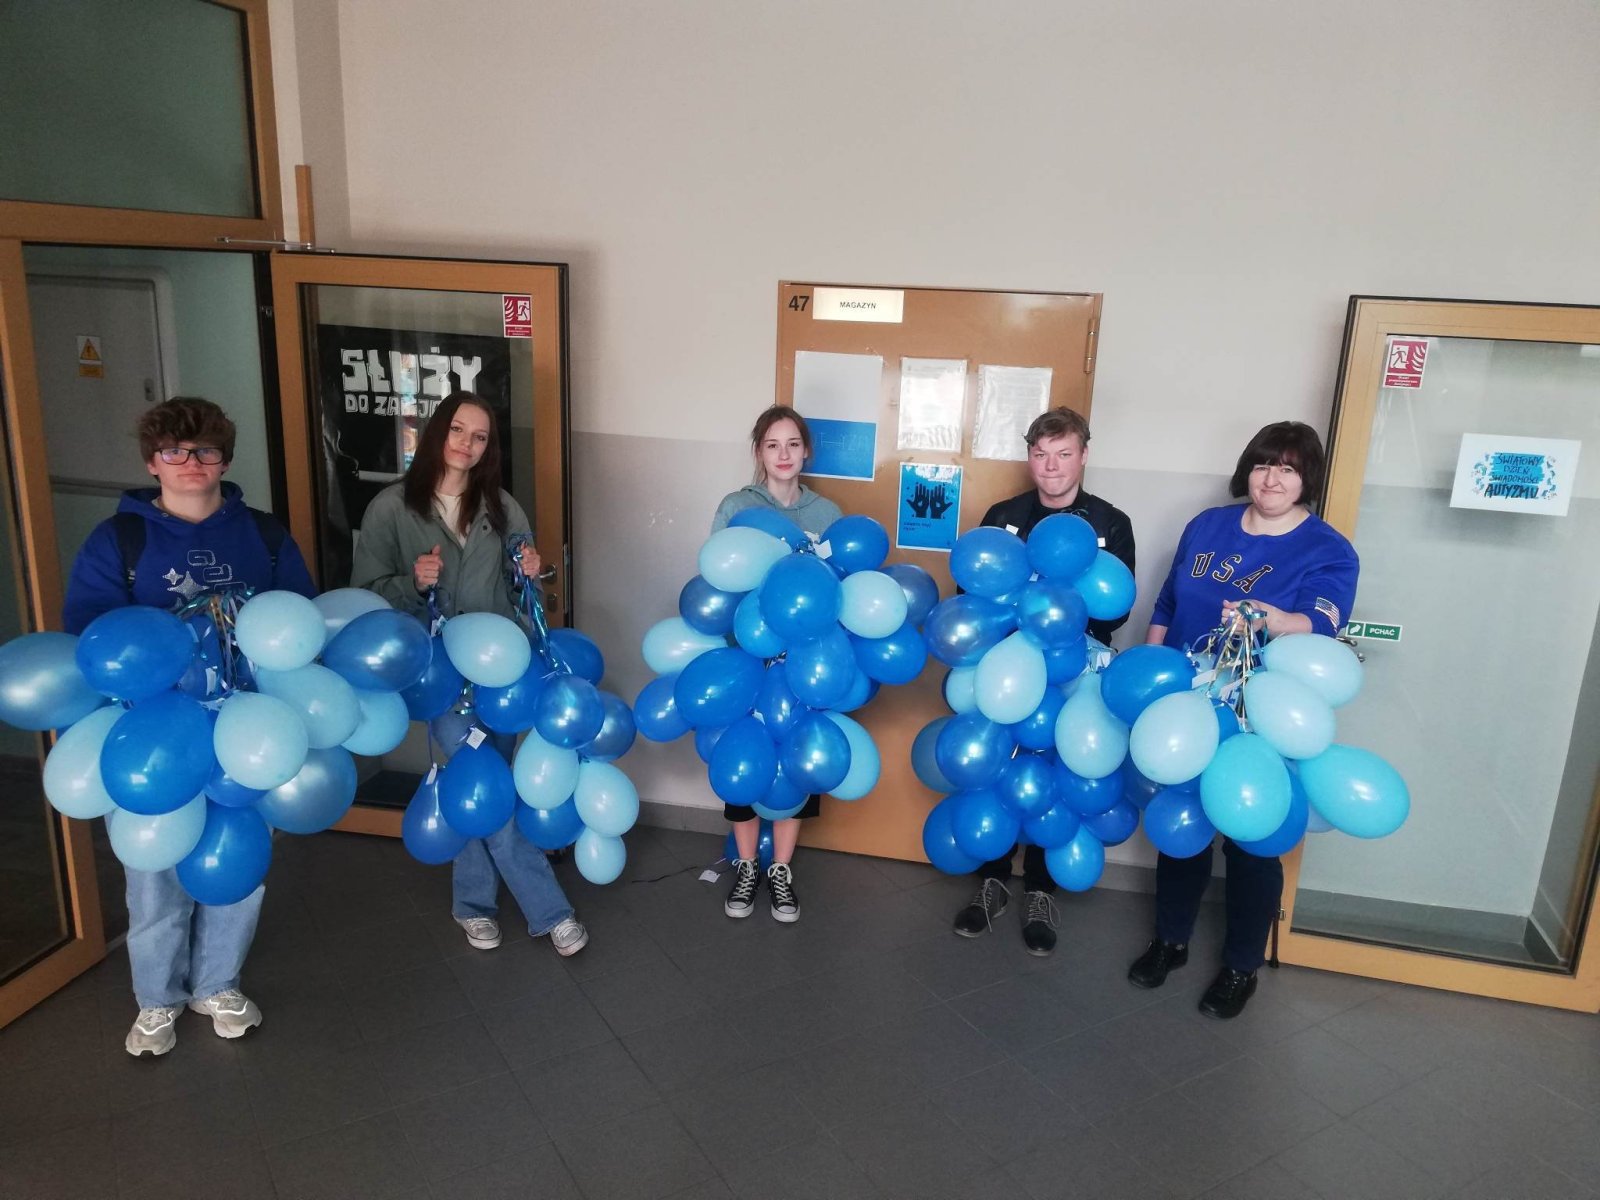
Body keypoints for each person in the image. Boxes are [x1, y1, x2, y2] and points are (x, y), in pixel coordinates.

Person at [63, 396, 318, 1058]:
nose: (190, 462)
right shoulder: (118, 540)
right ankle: (157, 999)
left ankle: (218, 983)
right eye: (173, 451)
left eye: (204, 450)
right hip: (155, 734)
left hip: (244, 726)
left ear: (224, 459)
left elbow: (301, 620)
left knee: (238, 860)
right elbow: (91, 639)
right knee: (154, 874)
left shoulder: (262, 534)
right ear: (153, 462)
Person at [1128, 420, 1358, 1019]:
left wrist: (1269, 617)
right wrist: (1150, 671)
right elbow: (1168, 602)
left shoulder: (1329, 549)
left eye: (1288, 468)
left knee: (1254, 838)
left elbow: (1322, 624)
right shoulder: (1207, 525)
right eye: (1262, 464)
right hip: (1190, 701)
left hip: (1263, 711)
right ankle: (1170, 940)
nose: (1272, 479)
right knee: (1183, 825)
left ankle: (1240, 966)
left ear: (1307, 479)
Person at [350, 392, 588, 958]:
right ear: (438, 431)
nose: (467, 444)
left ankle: (472, 905)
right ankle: (550, 910)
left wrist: (533, 573)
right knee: (482, 781)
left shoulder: (501, 507)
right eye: (458, 430)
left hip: (504, 672)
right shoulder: (391, 507)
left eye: (479, 437)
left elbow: (524, 594)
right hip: (437, 672)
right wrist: (414, 583)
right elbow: (366, 595)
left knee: (484, 782)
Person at [952, 406, 1136, 955]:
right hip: (1006, 672)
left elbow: (1116, 612)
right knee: (994, 767)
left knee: (1057, 776)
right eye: (1040, 454)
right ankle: (992, 882)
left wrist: (1052, 607)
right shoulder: (1003, 515)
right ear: (1029, 457)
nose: (1051, 466)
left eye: (1063, 454)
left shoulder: (1110, 523)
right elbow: (971, 594)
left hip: (1073, 675)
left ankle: (1039, 891)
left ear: (1083, 455)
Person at [712, 405, 842, 922]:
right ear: (759, 452)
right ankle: (747, 868)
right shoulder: (737, 506)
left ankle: (781, 870)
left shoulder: (826, 514)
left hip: (804, 662)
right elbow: (717, 582)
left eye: (792, 444)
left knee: (797, 760)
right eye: (772, 444)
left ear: (806, 450)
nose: (783, 454)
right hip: (748, 659)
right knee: (744, 756)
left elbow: (838, 591)